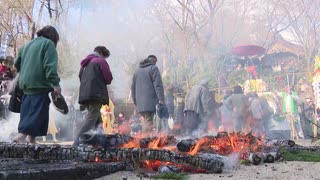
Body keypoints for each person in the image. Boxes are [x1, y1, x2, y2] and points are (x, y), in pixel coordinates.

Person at [13, 25, 61, 144]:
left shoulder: (27, 45)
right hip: (40, 84)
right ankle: (22, 135)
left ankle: (31, 139)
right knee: (38, 112)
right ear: (54, 37)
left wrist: (25, 72)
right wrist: (56, 84)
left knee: (28, 110)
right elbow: (50, 66)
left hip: (26, 83)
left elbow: (16, 63)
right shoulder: (48, 44)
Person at [74, 46, 113, 145]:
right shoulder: (100, 61)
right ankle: (76, 142)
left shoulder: (85, 63)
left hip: (85, 95)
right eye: (104, 56)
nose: (104, 59)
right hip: (96, 94)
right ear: (101, 53)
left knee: (97, 121)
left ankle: (102, 142)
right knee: (91, 119)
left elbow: (80, 76)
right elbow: (108, 79)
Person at [131, 55, 165, 134]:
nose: (155, 64)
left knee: (146, 120)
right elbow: (158, 85)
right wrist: (161, 99)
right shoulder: (153, 68)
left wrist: (135, 101)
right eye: (155, 62)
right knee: (148, 120)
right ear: (153, 61)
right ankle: (145, 141)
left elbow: (133, 87)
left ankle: (144, 140)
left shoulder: (137, 71)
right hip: (150, 101)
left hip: (140, 102)